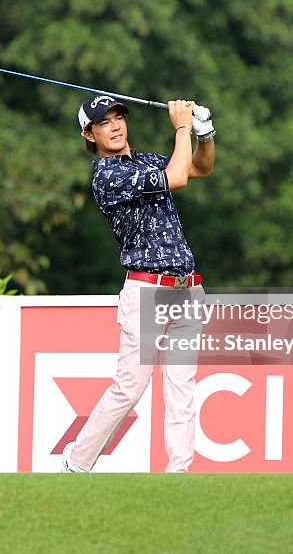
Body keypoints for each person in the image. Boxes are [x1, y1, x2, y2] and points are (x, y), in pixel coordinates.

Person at [62, 94, 215, 473]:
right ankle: (77, 461)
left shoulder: (145, 160)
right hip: (147, 288)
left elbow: (198, 168)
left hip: (186, 288)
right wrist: (181, 126)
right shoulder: (107, 176)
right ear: (89, 134)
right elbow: (177, 178)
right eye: (104, 123)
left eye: (118, 118)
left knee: (182, 387)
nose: (115, 127)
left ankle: (179, 475)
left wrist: (204, 133)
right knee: (130, 387)